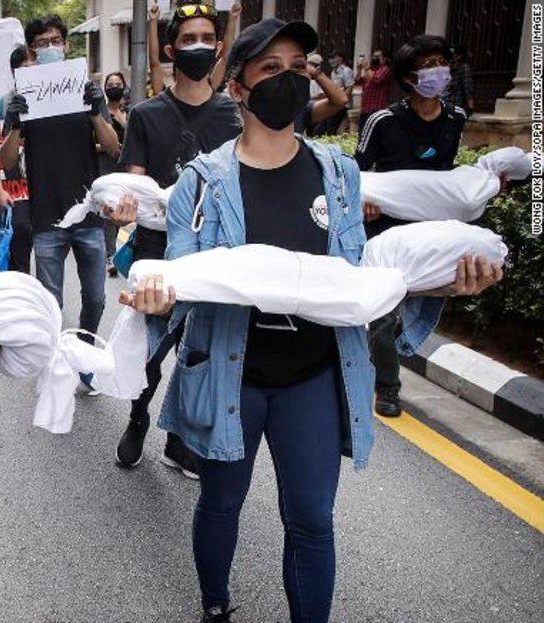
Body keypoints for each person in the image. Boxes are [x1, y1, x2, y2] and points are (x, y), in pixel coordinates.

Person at [129, 19, 499, 622]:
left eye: (299, 68)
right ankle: (215, 605)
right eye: (271, 69)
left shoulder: (339, 175)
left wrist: (442, 284)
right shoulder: (203, 182)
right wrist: (159, 297)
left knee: (310, 520)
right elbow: (180, 276)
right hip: (233, 377)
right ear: (241, 90)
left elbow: (360, 278)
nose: (289, 80)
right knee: (221, 504)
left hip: (313, 378)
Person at [110, 0, 241, 474]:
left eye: (207, 38)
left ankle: (180, 439)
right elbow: (135, 185)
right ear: (171, 49)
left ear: (219, 47)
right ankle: (138, 416)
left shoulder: (234, 117)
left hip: (213, 254)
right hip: (155, 252)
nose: (198, 47)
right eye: (189, 40)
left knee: (200, 352)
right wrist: (124, 208)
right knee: (150, 349)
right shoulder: (146, 115)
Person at [0, 15, 120, 391]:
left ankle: (84, 354)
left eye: (56, 39)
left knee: (97, 298)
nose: (50, 46)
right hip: (47, 218)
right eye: (42, 42)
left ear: (66, 45)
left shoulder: (84, 91)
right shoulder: (23, 99)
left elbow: (114, 148)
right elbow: (5, 163)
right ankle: (54, 364)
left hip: (88, 216)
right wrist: (16, 122)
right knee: (50, 305)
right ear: (32, 51)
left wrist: (96, 110)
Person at [356, 34, 469, 418]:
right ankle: (388, 386)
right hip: (386, 233)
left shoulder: (456, 119)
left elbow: (447, 175)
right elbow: (356, 174)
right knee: (385, 311)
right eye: (425, 66)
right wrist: (364, 204)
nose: (436, 71)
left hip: (432, 233)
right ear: (407, 77)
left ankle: (377, 343)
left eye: (441, 62)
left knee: (419, 309)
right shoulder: (383, 121)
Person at [0, 46, 34, 273]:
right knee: (20, 240)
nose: (31, 70)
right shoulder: (1, 106)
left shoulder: (53, 99)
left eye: (34, 65)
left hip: (47, 185)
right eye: (25, 67)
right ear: (15, 72)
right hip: (16, 187)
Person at [98, 71, 127, 275]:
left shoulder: (131, 112)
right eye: (110, 83)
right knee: (108, 210)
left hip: (124, 168)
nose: (114, 86)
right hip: (104, 166)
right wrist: (108, 146)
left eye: (118, 83)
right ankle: (110, 254)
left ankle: (109, 249)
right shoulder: (100, 114)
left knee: (119, 210)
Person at [355, 47, 391, 133]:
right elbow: (357, 81)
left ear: (385, 58)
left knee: (373, 134)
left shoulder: (385, 69)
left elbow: (376, 79)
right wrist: (359, 70)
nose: (375, 59)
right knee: (362, 134)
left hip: (377, 109)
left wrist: (366, 68)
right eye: (374, 56)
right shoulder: (372, 70)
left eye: (378, 57)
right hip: (365, 109)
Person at [443, 43, 475, 116]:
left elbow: (468, 88)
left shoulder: (463, 68)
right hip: (445, 103)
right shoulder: (447, 68)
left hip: (456, 104)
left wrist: (470, 106)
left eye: (452, 54)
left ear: (459, 56)